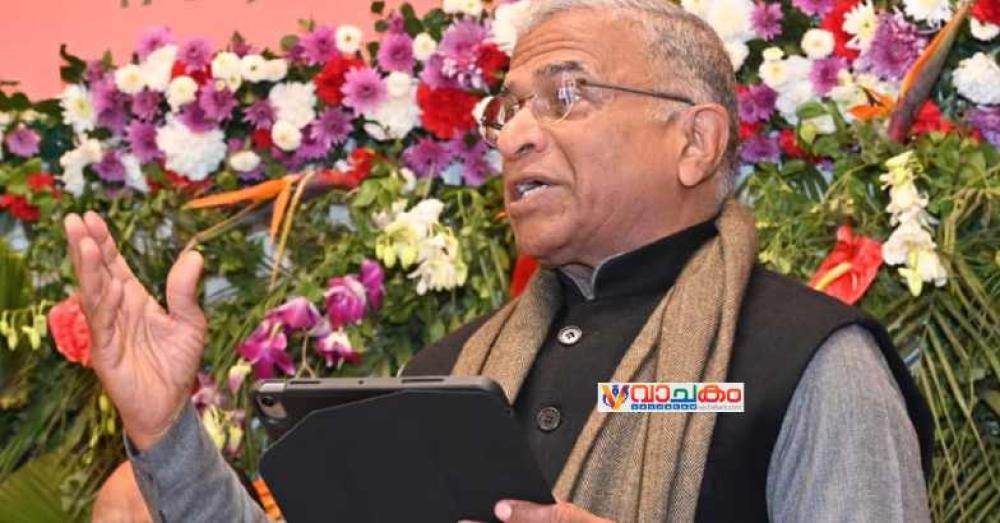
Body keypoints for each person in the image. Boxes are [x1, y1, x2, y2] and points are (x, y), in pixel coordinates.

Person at [70, 1, 933, 521]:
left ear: (695, 141)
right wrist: (164, 427)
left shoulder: (806, 363)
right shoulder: (445, 375)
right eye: (508, 108)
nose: (517, 133)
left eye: (565, 95)